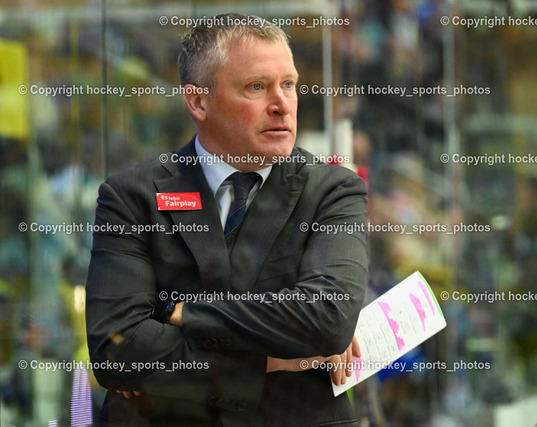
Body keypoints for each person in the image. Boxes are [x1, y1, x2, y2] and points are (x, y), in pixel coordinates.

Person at [85, 13, 368, 426]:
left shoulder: (333, 190)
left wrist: (180, 312)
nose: (282, 104)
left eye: (289, 84)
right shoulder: (130, 196)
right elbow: (118, 353)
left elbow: (328, 319)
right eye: (257, 87)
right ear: (198, 102)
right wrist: (273, 360)